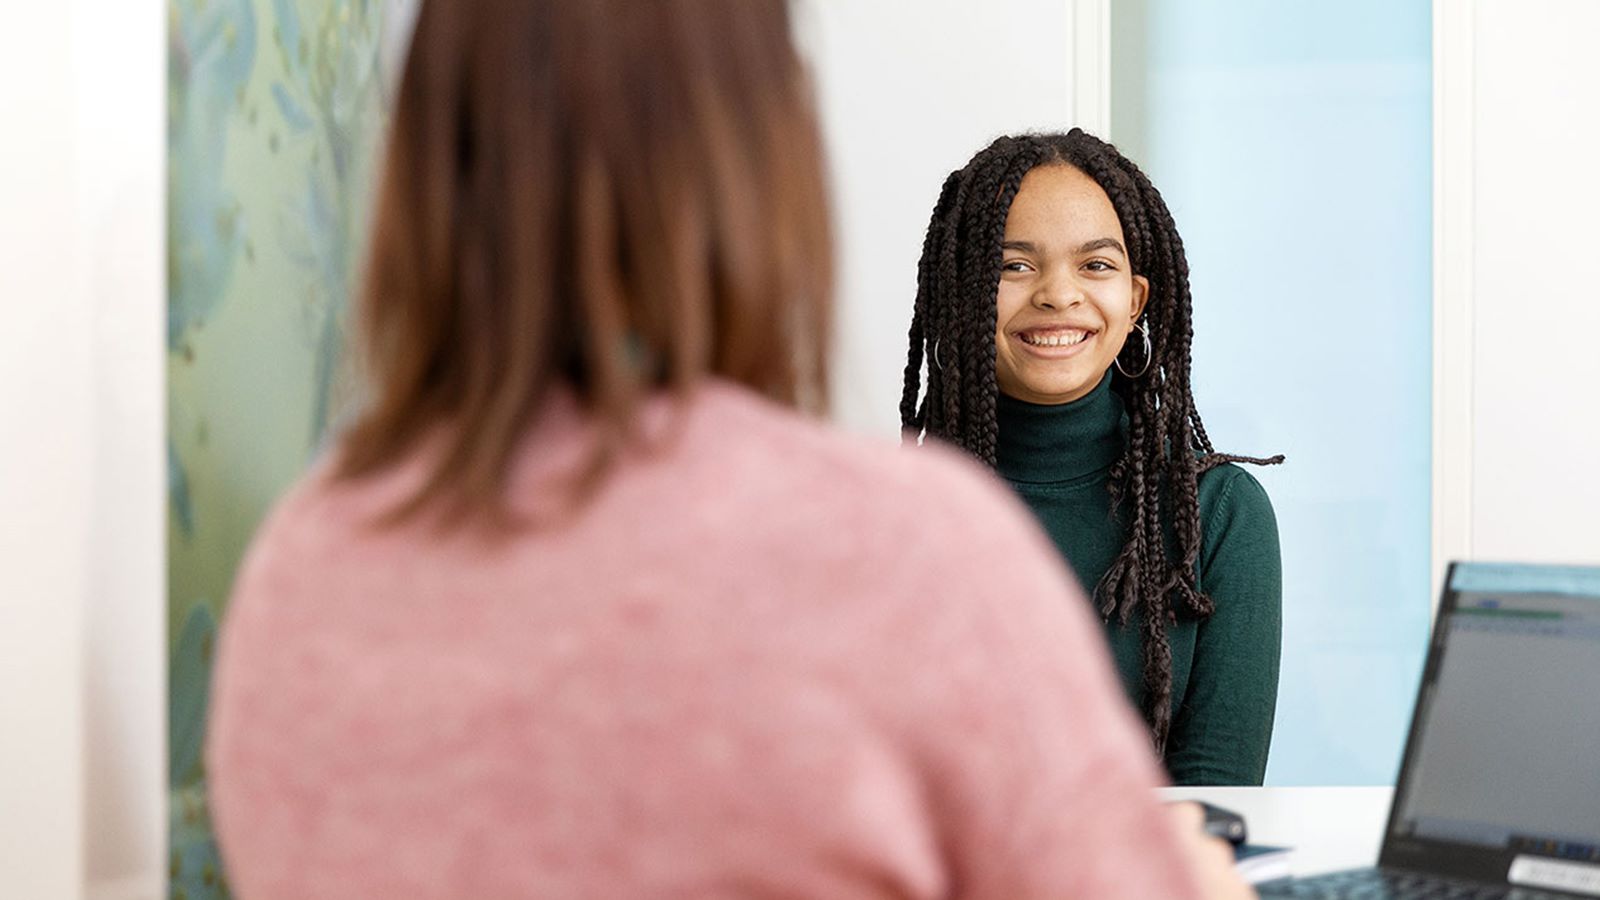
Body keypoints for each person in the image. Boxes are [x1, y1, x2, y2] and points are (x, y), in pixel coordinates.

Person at [205, 2, 1254, 897]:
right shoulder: (904, 546)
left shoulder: (305, 565)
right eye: (1015, 262)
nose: (1058, 295)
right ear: (761, 154)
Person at [900, 131, 1284, 785]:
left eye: (1095, 266)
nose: (1057, 294)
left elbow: (1217, 802)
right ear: (960, 294)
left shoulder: (1219, 513)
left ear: (1135, 301)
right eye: (1012, 265)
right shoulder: (887, 517)